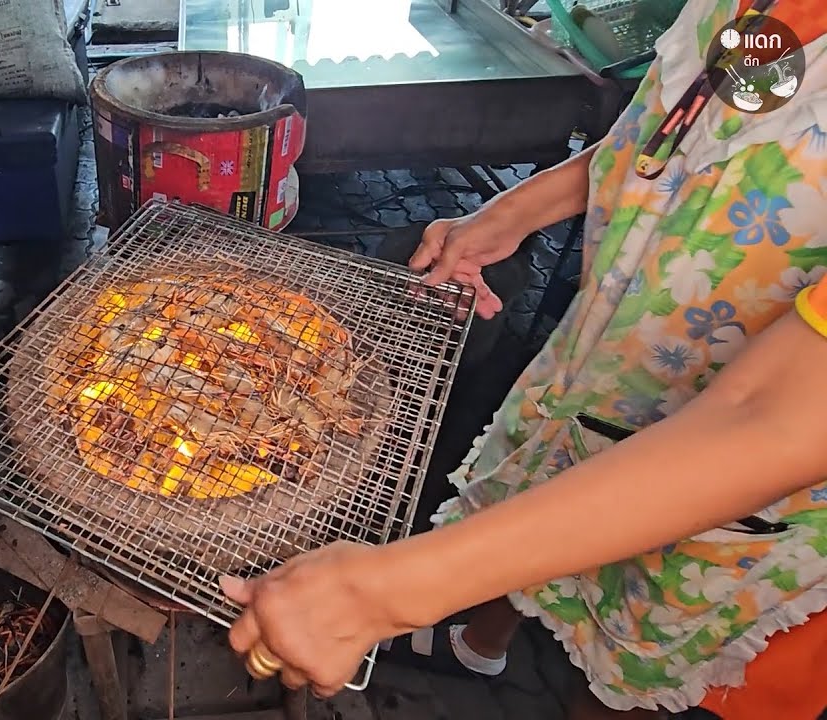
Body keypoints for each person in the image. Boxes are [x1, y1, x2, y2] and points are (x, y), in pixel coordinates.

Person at [221, 0, 827, 718]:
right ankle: (483, 646)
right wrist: (506, 216)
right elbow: (669, 137)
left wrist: (383, 592)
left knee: (623, 675)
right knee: (539, 487)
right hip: (609, 362)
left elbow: (772, 419)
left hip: (742, 501)